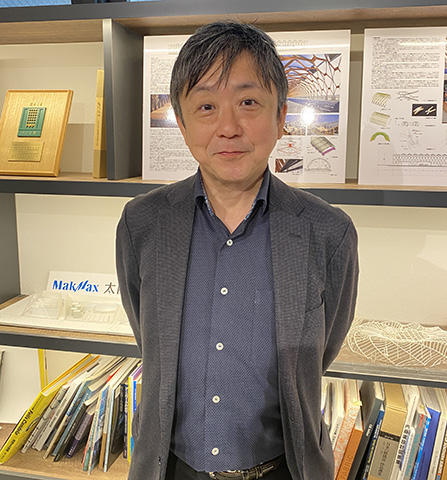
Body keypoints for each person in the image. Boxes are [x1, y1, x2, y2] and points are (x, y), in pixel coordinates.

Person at [116, 21, 358, 480]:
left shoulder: (328, 231)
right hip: (170, 469)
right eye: (206, 106)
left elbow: (320, 351)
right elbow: (150, 338)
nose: (228, 128)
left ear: (281, 116)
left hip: (285, 469)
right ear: (182, 124)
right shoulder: (142, 223)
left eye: (248, 102)